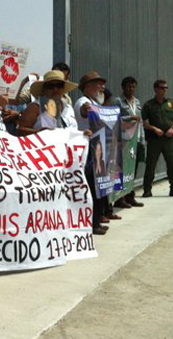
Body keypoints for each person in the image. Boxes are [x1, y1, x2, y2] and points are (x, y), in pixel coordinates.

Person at [74, 71, 111, 235]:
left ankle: (96, 220)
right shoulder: (84, 101)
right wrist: (87, 109)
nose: (101, 86)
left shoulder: (93, 101)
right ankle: (92, 223)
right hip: (87, 150)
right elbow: (83, 110)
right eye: (97, 83)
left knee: (96, 189)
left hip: (95, 148)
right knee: (91, 187)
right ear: (88, 86)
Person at [142, 79, 173, 197]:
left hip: (168, 138)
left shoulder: (170, 103)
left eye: (166, 88)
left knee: (171, 163)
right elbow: (143, 121)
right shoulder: (149, 105)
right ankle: (147, 189)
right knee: (151, 164)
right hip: (154, 139)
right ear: (155, 89)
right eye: (161, 88)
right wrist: (154, 128)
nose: (164, 90)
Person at [16, 70, 80, 136]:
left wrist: (84, 134)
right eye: (50, 86)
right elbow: (20, 130)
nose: (55, 89)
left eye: (59, 85)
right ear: (44, 90)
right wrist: (38, 132)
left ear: (63, 88)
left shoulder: (68, 108)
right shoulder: (36, 107)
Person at [114, 76, 144, 207]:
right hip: (124, 139)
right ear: (123, 87)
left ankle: (130, 195)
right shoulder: (118, 101)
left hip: (136, 139)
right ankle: (120, 198)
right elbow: (115, 118)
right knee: (123, 169)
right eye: (128, 86)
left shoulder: (137, 102)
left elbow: (140, 121)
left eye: (133, 86)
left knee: (133, 169)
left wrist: (142, 139)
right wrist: (129, 117)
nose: (131, 89)